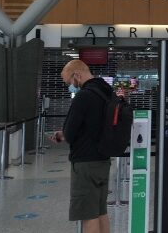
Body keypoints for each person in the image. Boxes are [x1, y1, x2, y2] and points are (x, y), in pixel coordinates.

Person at [50, 59, 113, 233]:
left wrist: (62, 135)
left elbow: (70, 133)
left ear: (77, 75)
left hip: (85, 163)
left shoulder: (84, 96)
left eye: (69, 81)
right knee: (101, 212)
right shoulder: (106, 92)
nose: (70, 86)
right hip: (103, 160)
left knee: (88, 215)